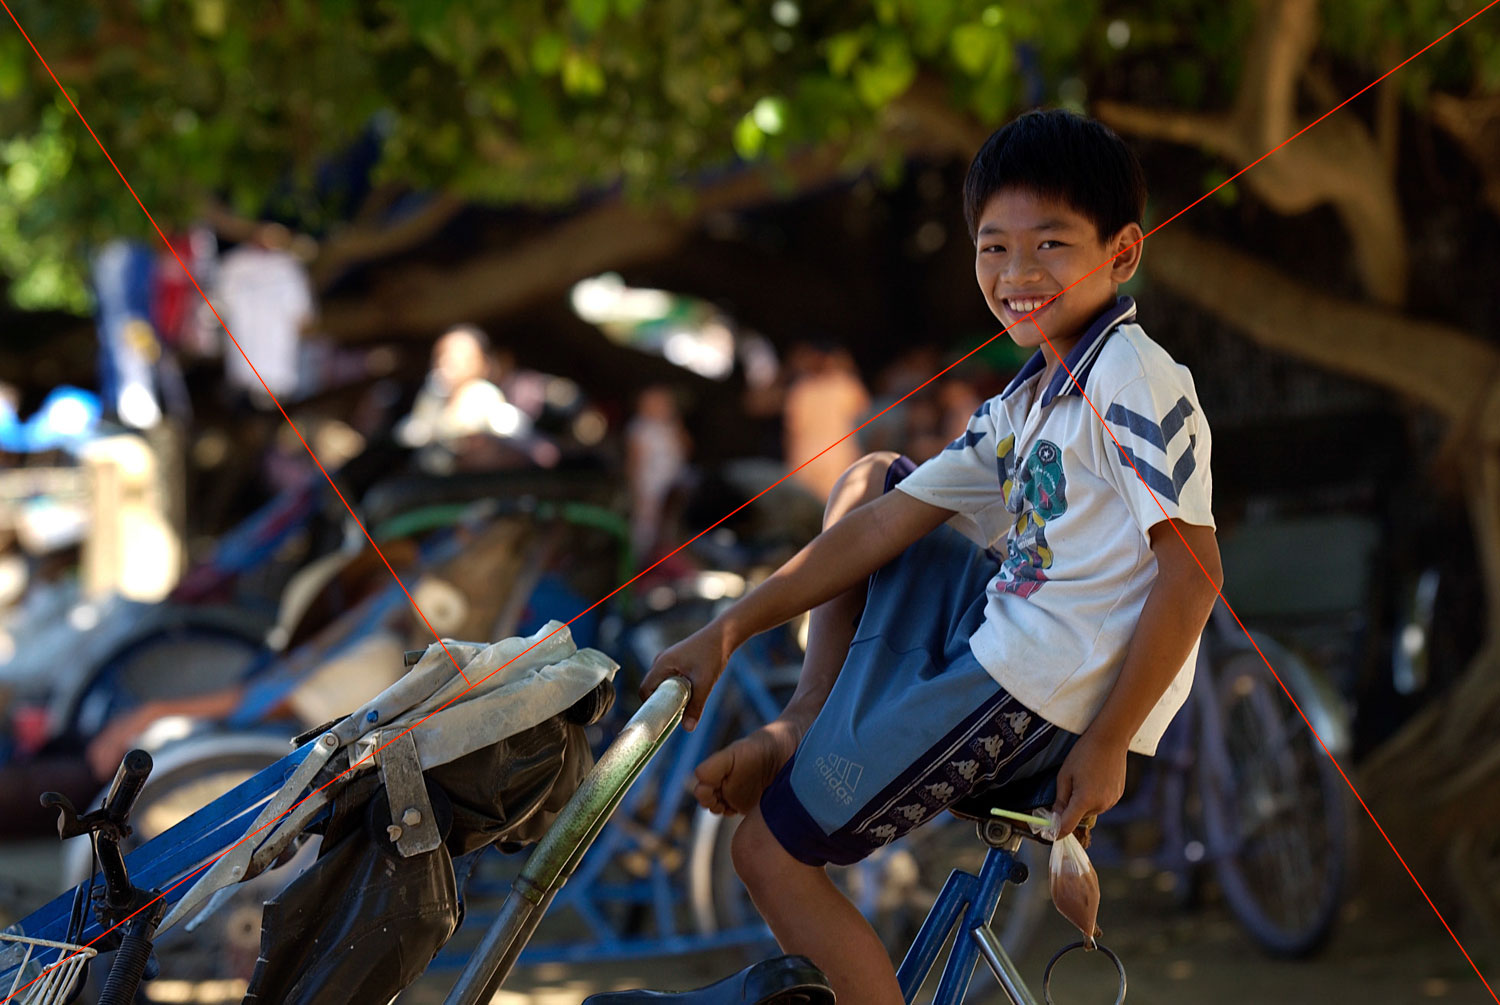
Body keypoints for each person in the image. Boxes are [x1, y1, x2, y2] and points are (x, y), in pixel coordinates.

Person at [641, 109, 1222, 1003]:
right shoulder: (1025, 397)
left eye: (1051, 246)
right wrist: (727, 632)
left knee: (766, 851)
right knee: (875, 479)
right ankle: (807, 718)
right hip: (1000, 633)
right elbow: (880, 526)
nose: (1018, 274)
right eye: (994, 248)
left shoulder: (1130, 376)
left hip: (1045, 686)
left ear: (1124, 252)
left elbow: (1193, 570)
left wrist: (1107, 743)